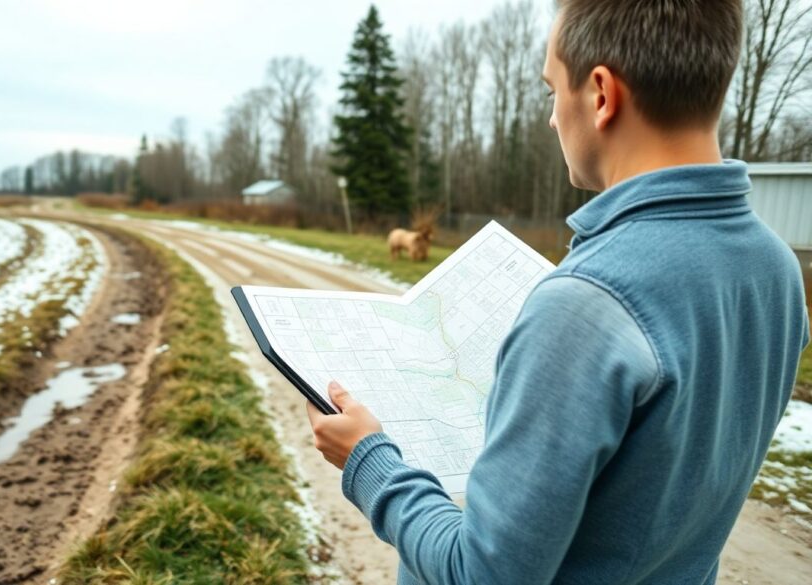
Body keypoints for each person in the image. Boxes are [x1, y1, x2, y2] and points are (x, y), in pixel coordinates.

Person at [306, 1, 810, 583]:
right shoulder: (775, 268)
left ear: (601, 94)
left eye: (551, 90)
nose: (551, 119)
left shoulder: (586, 305)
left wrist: (368, 460)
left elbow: (480, 574)